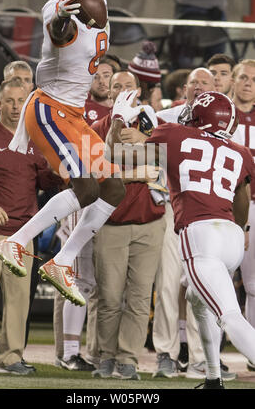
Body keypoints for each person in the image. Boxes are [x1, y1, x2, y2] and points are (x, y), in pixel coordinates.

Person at [0, 0, 125, 306]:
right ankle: (16, 241)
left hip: (74, 115)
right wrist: (63, 17)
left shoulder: (101, 13)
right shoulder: (57, 7)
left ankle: (62, 261)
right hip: (48, 109)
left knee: (113, 189)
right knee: (86, 188)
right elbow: (58, 29)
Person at [106, 89, 255, 389]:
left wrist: (118, 119)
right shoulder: (242, 153)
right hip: (231, 235)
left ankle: (214, 375)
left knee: (230, 316)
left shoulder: (174, 135)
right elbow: (242, 201)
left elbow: (115, 153)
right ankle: (213, 378)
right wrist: (239, 232)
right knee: (196, 299)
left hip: (200, 235)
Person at [0, 77, 62, 375]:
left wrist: (61, 174)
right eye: (9, 101)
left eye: (20, 101)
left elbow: (45, 182)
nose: (14, 107)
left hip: (24, 233)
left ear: (28, 105)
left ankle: (10, 358)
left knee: (19, 300)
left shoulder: (35, 141)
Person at [90, 70, 166, 380]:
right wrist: (136, 169)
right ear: (108, 93)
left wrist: (145, 141)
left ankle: (128, 358)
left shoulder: (157, 125)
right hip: (111, 222)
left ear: (138, 91)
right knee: (108, 295)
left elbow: (164, 162)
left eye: (128, 86)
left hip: (150, 222)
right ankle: (106, 355)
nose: (123, 91)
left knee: (139, 297)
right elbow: (98, 171)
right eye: (117, 86)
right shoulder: (97, 127)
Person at [53, 58, 119, 371]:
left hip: (106, 206)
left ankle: (78, 351)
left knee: (89, 283)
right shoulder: (78, 110)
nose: (105, 82)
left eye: (111, 77)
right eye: (100, 75)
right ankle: (68, 353)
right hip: (84, 201)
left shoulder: (121, 116)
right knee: (77, 280)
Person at [231, 59, 255, 372]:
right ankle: (197, 352)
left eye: (254, 79)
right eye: (244, 77)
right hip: (220, 203)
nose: (249, 83)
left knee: (252, 285)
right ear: (234, 81)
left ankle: (252, 351)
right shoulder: (221, 114)